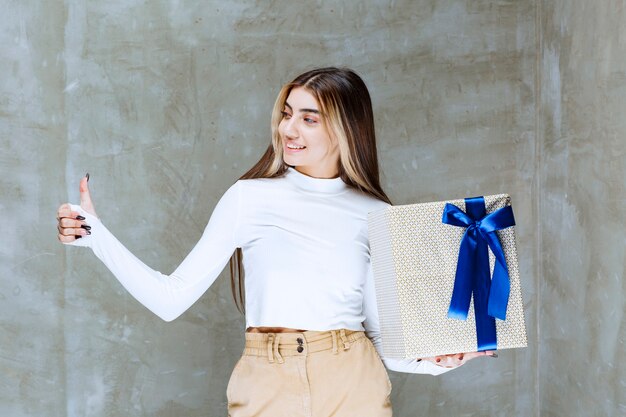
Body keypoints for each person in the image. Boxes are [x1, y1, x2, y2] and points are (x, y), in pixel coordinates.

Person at [56, 67, 494, 416]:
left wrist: (435, 359)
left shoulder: (375, 213)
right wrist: (96, 236)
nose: (289, 129)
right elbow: (170, 299)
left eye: (308, 118)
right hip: (267, 382)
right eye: (287, 114)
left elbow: (378, 335)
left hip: (352, 382)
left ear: (344, 129)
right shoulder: (249, 198)